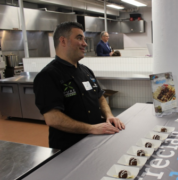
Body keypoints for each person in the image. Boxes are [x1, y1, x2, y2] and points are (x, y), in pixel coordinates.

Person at [34, 22, 125, 151]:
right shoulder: (48, 76)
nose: (85, 43)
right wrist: (92, 128)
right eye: (79, 38)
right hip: (68, 148)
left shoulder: (86, 71)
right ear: (63, 41)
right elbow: (52, 118)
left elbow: (100, 97)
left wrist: (109, 116)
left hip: (94, 140)